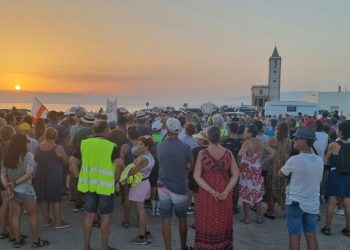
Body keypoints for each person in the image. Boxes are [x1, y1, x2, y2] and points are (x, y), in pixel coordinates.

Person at [77, 120, 122, 250]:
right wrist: (117, 180)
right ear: (106, 130)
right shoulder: (111, 146)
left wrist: (78, 176)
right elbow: (119, 164)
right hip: (105, 186)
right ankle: (104, 247)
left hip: (89, 184)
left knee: (89, 215)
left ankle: (86, 246)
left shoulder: (84, 144)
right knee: (105, 217)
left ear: (93, 131)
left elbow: (72, 161)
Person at [193, 126, 239, 249]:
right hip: (225, 194)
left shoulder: (202, 153)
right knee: (222, 222)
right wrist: (226, 191)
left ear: (206, 138)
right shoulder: (228, 153)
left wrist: (211, 191)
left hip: (207, 194)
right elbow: (235, 175)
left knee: (206, 223)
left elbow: (197, 176)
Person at [279, 127, 323, 250]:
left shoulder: (295, 159)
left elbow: (280, 174)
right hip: (313, 203)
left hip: (295, 203)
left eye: (297, 138)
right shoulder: (319, 160)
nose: (294, 140)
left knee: (294, 236)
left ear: (305, 140)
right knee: (311, 235)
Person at [1, 134, 49, 248]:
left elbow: (2, 174)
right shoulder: (28, 156)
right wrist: (15, 183)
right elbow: (29, 174)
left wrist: (8, 186)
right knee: (33, 215)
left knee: (15, 215)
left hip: (12, 191)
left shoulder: (6, 157)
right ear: (22, 144)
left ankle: (17, 240)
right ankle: (36, 241)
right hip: (26, 190)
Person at [157, 118, 193, 250]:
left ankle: (168, 248)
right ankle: (183, 247)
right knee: (182, 218)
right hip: (179, 186)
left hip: (163, 185)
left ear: (167, 130)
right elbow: (190, 166)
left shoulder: (160, 146)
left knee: (165, 219)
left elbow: (161, 163)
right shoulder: (185, 147)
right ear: (179, 131)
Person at [34, 128, 70, 229]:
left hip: (41, 173)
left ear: (45, 135)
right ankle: (58, 222)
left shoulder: (39, 146)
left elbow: (36, 158)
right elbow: (66, 160)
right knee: (55, 198)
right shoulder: (58, 148)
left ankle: (46, 220)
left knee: (44, 198)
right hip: (54, 174)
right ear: (56, 136)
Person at [238, 124, 274, 224]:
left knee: (246, 193)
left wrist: (239, 165)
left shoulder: (247, 142)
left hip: (247, 171)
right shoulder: (261, 142)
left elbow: (240, 154)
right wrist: (262, 161)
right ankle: (259, 217)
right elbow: (272, 153)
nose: (244, 133)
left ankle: (247, 218)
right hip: (257, 169)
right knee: (257, 192)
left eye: (246, 131)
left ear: (250, 133)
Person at [321, 120, 350, 237]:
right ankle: (348, 229)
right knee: (348, 202)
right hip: (348, 176)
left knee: (332, 201)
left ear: (341, 131)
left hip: (335, 175)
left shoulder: (333, 145)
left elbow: (326, 160)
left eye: (338, 129)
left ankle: (327, 228)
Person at [128, 136, 155, 245]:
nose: (138, 146)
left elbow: (132, 171)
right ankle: (147, 232)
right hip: (143, 182)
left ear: (147, 146)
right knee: (141, 209)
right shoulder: (147, 155)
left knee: (141, 211)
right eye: (138, 143)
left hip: (140, 184)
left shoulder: (144, 158)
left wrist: (129, 168)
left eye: (140, 144)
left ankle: (141, 235)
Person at [265, 122, 292, 219]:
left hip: (274, 167)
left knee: (271, 190)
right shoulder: (290, 141)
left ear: (277, 129)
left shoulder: (272, 140)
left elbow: (267, 150)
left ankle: (271, 211)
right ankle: (285, 210)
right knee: (282, 188)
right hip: (285, 167)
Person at [221, 122, 244, 214]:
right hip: (238, 166)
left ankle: (227, 204)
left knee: (226, 186)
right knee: (236, 186)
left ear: (229, 130)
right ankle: (234, 206)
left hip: (226, 166)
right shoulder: (242, 142)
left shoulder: (224, 141)